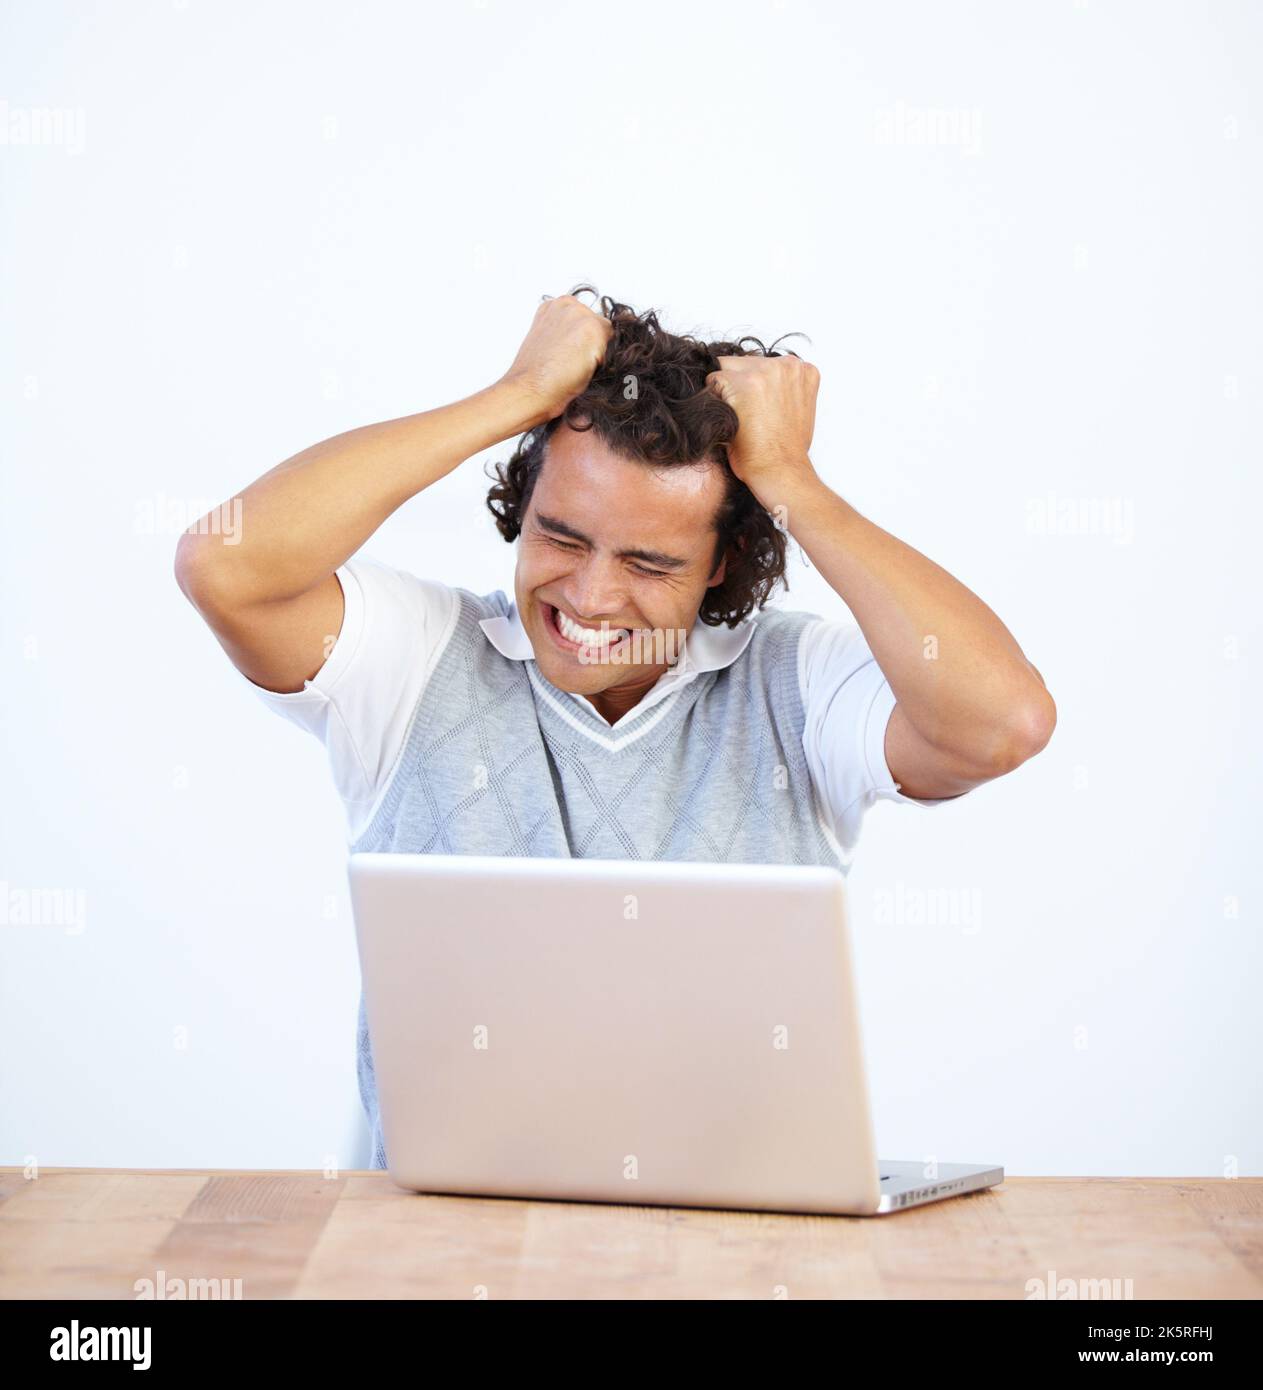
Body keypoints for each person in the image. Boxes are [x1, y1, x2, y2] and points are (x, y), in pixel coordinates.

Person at [175, 288, 1056, 1167]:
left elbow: (1000, 725)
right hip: (447, 1229)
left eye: (648, 562)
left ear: (722, 564)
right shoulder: (415, 661)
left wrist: (792, 481)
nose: (590, 597)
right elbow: (225, 565)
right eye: (562, 538)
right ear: (522, 509)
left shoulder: (797, 685)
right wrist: (516, 396)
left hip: (750, 1225)